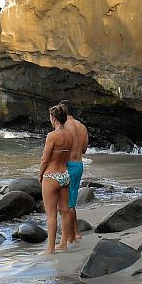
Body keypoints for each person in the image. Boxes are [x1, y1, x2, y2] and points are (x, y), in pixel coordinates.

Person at [38, 105, 74, 254]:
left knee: (51, 215)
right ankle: (63, 244)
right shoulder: (70, 135)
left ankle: (50, 248)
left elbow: (45, 159)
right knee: (65, 210)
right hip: (65, 175)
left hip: (51, 176)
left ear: (53, 118)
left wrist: (40, 174)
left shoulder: (52, 136)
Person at [58, 100, 89, 245]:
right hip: (79, 165)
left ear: (64, 109)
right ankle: (76, 233)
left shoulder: (64, 127)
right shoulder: (82, 126)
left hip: (68, 166)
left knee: (65, 204)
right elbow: (83, 150)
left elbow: (61, 149)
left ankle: (69, 237)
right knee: (71, 202)